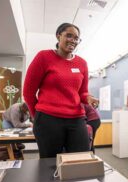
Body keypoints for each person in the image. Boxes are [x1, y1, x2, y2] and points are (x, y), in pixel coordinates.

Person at [23, 23, 99, 158]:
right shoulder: (44, 57)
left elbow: (82, 92)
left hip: (76, 119)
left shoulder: (82, 63)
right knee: (50, 164)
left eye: (76, 38)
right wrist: (38, 116)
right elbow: (28, 92)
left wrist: (88, 98)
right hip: (48, 119)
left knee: (80, 159)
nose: (73, 41)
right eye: (69, 35)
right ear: (58, 36)